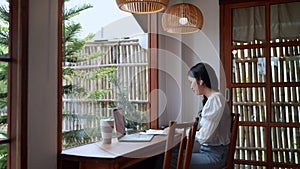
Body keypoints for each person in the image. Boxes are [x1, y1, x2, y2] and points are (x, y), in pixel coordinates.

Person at [187, 62, 231, 169]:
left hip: (215, 156)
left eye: (191, 82)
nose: (190, 87)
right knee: (173, 154)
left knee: (169, 158)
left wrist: (185, 132)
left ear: (201, 80)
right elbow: (206, 130)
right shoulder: (213, 99)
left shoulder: (215, 99)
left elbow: (204, 137)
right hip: (211, 152)